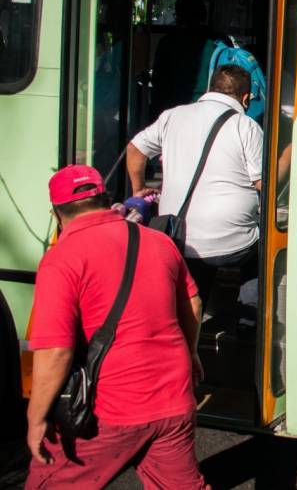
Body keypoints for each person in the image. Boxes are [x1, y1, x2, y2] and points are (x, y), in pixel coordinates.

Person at [26, 165, 207, 489]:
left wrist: (36, 418)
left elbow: (55, 351)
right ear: (107, 200)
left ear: (56, 213)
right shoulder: (159, 242)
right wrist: (191, 353)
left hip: (112, 407)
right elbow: (192, 303)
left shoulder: (61, 259)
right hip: (174, 399)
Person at [127, 65, 264, 306]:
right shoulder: (246, 126)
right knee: (262, 245)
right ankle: (247, 316)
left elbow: (135, 150)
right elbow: (263, 183)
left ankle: (195, 308)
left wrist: (138, 190)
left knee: (199, 265)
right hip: (234, 243)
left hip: (180, 236)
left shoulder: (173, 115)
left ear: (211, 89)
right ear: (245, 98)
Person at [150, 0, 218, 121]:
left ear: (179, 15)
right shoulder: (218, 41)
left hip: (174, 110)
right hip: (211, 112)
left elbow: (159, 83)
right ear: (203, 14)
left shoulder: (168, 42)